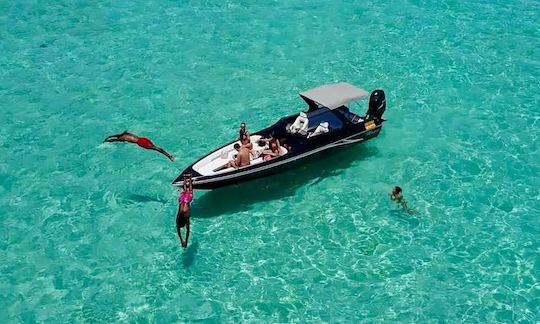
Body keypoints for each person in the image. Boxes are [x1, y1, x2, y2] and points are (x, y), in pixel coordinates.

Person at [103, 131, 174, 161]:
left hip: (141, 143)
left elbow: (114, 139)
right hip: (142, 139)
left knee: (156, 149)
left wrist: (107, 140)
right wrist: (109, 137)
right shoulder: (126, 134)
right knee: (156, 148)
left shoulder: (122, 138)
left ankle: (169, 156)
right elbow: (115, 137)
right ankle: (168, 155)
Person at [176, 174, 193, 248]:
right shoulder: (178, 218)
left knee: (190, 191)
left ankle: (190, 178)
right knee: (185, 191)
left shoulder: (186, 216)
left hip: (186, 201)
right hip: (181, 200)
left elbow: (188, 232)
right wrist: (181, 240)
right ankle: (185, 178)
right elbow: (178, 231)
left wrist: (185, 240)